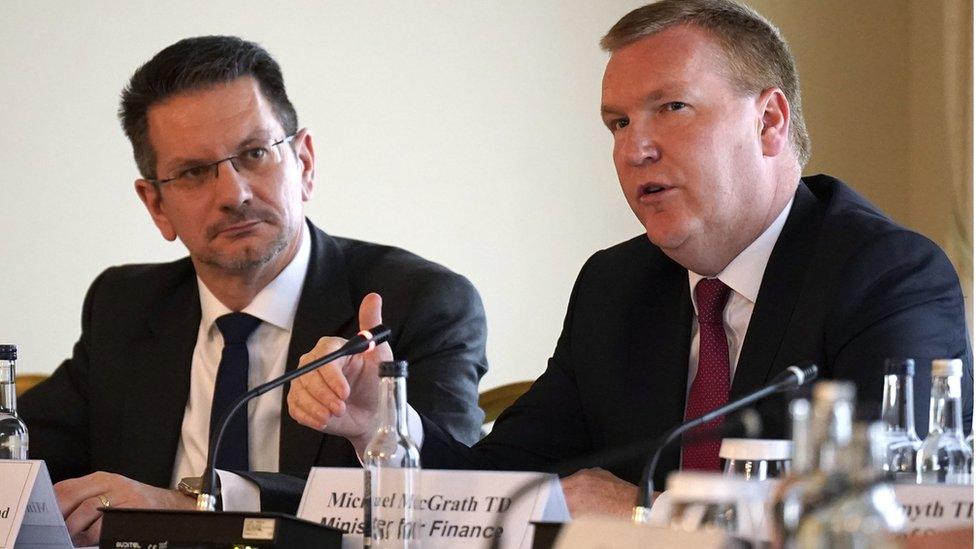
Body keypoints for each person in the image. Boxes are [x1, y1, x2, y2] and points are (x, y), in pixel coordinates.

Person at [286, 0, 973, 518]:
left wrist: (652, 518)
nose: (633, 148)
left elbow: (890, 515)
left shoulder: (884, 275)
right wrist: (387, 421)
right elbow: (496, 483)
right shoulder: (616, 285)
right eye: (617, 122)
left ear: (768, 122)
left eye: (671, 108)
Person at [18, 36, 488, 545]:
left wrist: (191, 507)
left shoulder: (419, 304)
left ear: (304, 163)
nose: (233, 194)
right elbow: (22, 452)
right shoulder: (126, 305)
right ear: (155, 205)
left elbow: (455, 501)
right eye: (194, 172)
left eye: (255, 154)